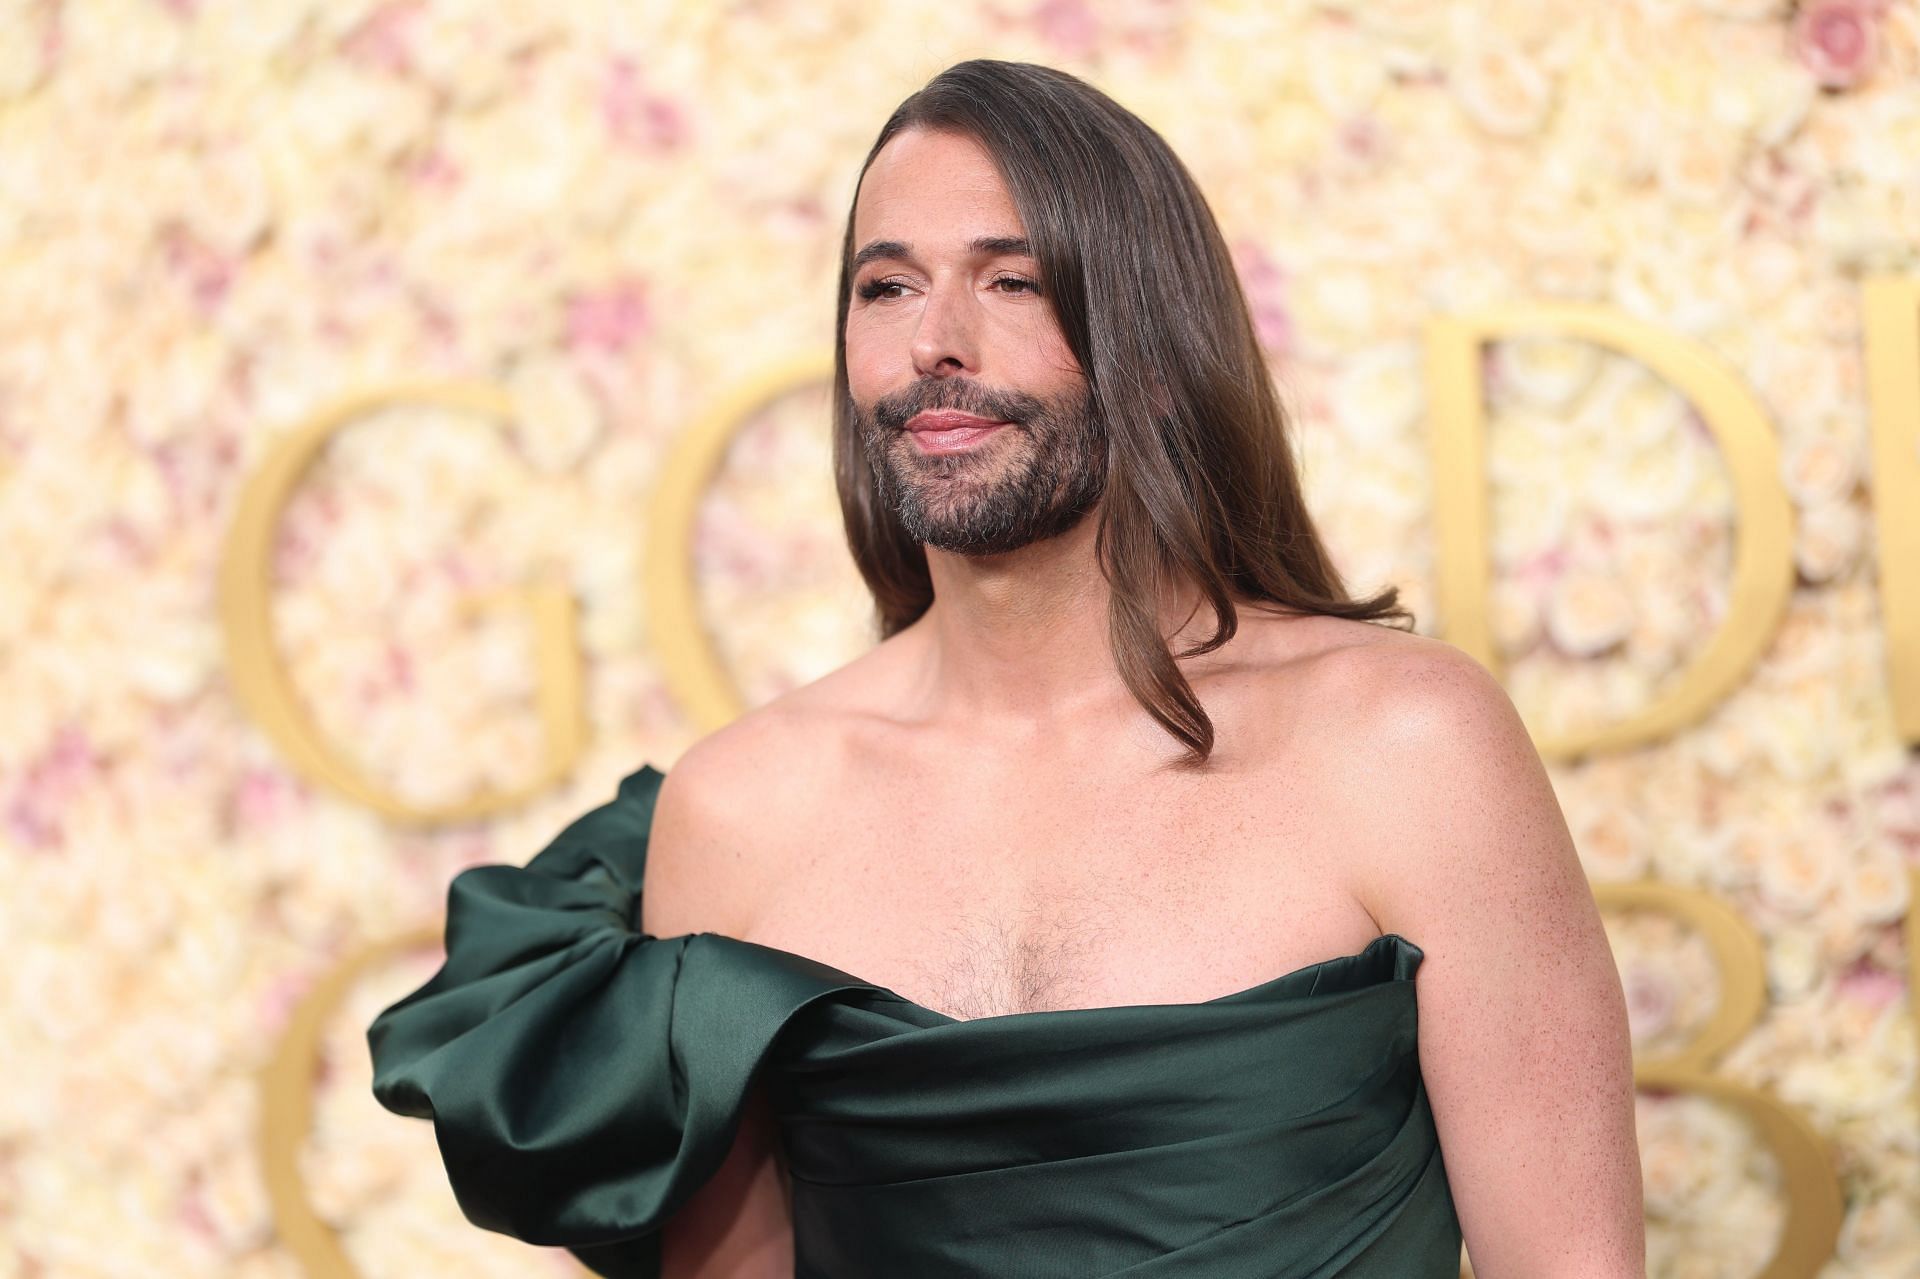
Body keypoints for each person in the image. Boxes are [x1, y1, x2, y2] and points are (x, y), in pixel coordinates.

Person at [369, 58, 1644, 1278]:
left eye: (1013, 281)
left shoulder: (1405, 743)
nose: (937, 340)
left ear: (1148, 334)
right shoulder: (741, 810)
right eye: (887, 287)